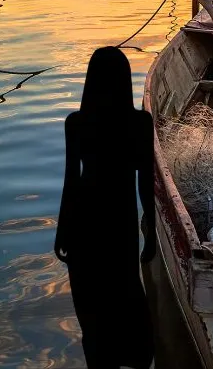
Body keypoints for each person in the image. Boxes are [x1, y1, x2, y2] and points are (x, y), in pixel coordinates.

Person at [54, 47, 156, 369]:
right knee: (125, 292)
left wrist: (62, 232)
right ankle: (135, 358)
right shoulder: (140, 123)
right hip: (120, 221)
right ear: (125, 81)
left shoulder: (77, 123)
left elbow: (71, 183)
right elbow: (145, 184)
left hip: (84, 222)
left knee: (93, 307)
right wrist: (150, 231)